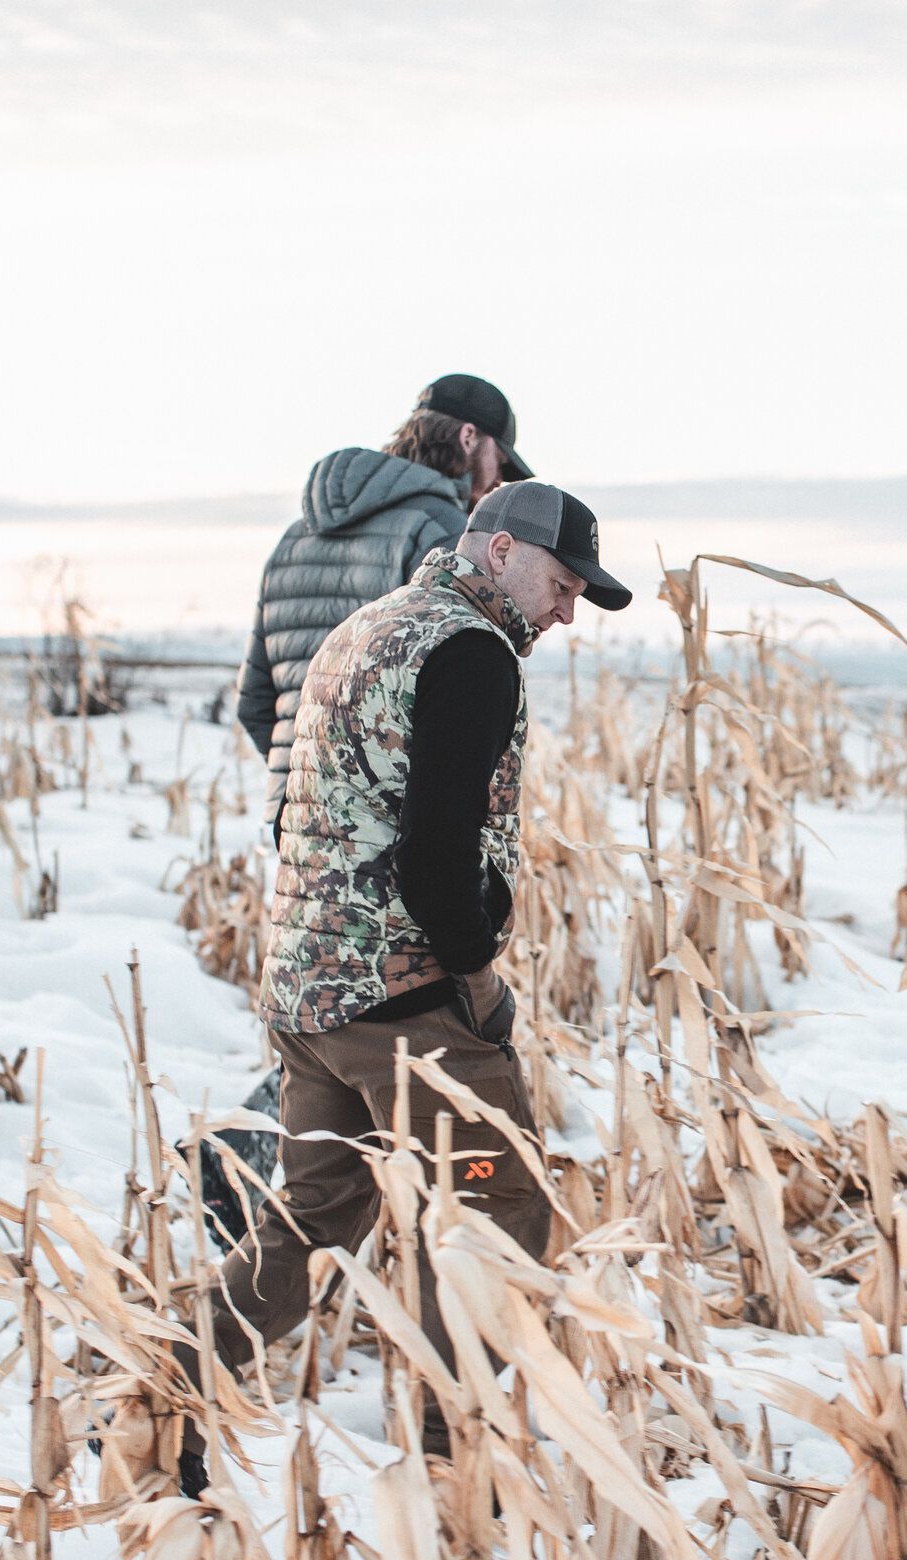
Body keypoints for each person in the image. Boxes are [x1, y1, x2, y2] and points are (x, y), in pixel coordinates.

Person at [180, 480, 631, 1488]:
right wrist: (474, 974)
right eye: (562, 584)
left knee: (312, 1214)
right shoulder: (469, 652)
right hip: (404, 997)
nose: (564, 611)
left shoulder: (368, 624)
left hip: (311, 991)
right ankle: (456, 1461)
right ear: (501, 550)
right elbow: (436, 857)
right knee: (486, 1213)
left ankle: (167, 1383)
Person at [233, 374, 533, 829]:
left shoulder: (293, 538)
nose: (497, 484)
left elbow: (254, 701)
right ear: (469, 438)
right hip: (381, 825)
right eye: (501, 463)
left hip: (291, 812)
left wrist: (311, 768)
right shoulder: (441, 533)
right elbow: (456, 701)